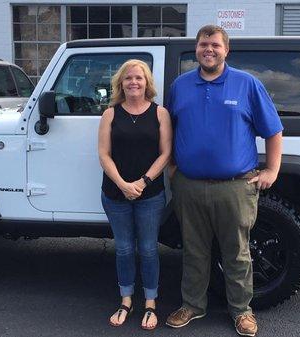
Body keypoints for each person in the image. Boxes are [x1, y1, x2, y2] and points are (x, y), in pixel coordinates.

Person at [165, 25, 283, 337]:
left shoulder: (247, 84)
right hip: (189, 186)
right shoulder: (180, 86)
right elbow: (170, 129)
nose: (209, 50)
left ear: (226, 50)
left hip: (235, 187)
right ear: (196, 49)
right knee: (194, 249)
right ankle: (192, 305)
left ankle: (242, 311)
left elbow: (273, 130)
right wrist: (173, 166)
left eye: (215, 45)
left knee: (237, 252)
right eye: (204, 44)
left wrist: (272, 170)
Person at [97, 59, 172, 330]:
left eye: (138, 78)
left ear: (147, 82)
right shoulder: (111, 114)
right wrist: (122, 184)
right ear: (120, 83)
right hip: (115, 194)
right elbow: (103, 154)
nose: (133, 82)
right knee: (125, 249)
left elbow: (166, 153)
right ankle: (126, 300)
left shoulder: (160, 113)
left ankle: (150, 304)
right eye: (128, 78)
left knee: (149, 249)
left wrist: (142, 182)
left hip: (150, 194)